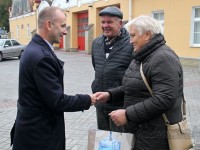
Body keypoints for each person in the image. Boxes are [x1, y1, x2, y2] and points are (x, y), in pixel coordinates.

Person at [11, 6, 96, 150]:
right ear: (49, 25)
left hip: (31, 130)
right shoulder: (42, 56)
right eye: (62, 26)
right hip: (39, 136)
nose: (65, 31)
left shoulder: (34, 47)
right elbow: (57, 101)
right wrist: (88, 99)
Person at [95, 15, 183, 150]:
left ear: (147, 35)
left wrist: (127, 114)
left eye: (133, 36)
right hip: (141, 130)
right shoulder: (142, 56)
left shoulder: (163, 58)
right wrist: (110, 94)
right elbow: (132, 86)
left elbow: (164, 98)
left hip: (155, 135)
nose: (130, 41)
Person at [91, 6, 133, 132]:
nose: (105, 25)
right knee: (104, 141)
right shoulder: (96, 43)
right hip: (101, 103)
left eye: (109, 22)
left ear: (120, 23)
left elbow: (134, 76)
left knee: (120, 143)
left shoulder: (131, 43)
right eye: (103, 22)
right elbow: (97, 67)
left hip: (120, 106)